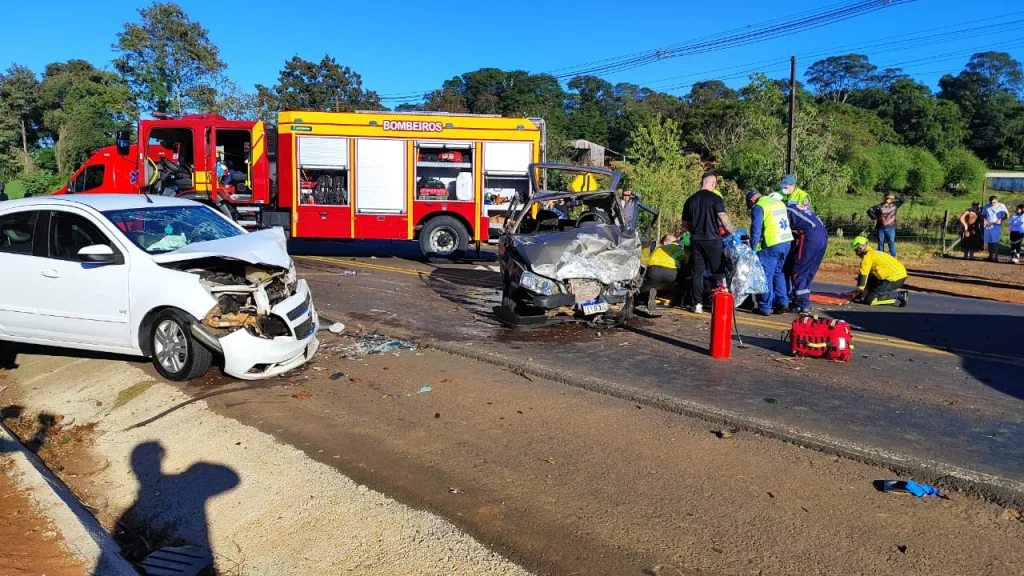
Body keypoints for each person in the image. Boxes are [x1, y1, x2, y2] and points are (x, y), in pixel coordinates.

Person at [682, 172, 735, 314]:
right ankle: (720, 303)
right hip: (713, 240)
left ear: (702, 182)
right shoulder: (716, 198)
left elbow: (685, 223)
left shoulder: (690, 200)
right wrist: (732, 233)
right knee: (718, 271)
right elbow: (722, 217)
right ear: (713, 183)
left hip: (696, 241)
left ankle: (697, 304)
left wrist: (693, 231)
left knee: (697, 273)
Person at [746, 190, 794, 316]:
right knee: (778, 273)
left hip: (773, 243)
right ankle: (782, 303)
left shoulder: (759, 207)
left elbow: (756, 229)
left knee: (765, 275)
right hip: (786, 241)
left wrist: (753, 248)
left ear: (751, 200)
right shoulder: (778, 203)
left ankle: (765, 307)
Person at [783, 202, 827, 313]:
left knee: (800, 270)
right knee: (810, 271)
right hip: (823, 235)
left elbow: (783, 230)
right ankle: (804, 300)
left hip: (810, 237)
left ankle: (800, 303)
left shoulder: (786, 210)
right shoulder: (802, 208)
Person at [849, 236, 909, 307]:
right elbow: (869, 276)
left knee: (870, 300)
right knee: (871, 280)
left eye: (856, 250)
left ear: (860, 248)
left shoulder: (867, 257)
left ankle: (899, 295)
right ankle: (878, 294)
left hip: (894, 279)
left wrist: (859, 291)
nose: (856, 253)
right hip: (896, 275)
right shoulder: (874, 252)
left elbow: (863, 275)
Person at [638, 234, 688, 311]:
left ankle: (642, 300)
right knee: (685, 279)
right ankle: (676, 300)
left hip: (653, 271)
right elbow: (686, 265)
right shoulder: (681, 251)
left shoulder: (660, 248)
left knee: (647, 286)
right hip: (670, 273)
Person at [866, 193, 905, 257]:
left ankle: (893, 256)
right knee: (880, 242)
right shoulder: (879, 206)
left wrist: (895, 196)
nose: (888, 199)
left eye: (889, 198)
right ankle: (881, 256)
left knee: (891, 242)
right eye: (886, 198)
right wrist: (874, 217)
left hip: (891, 227)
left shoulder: (895, 205)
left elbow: (903, 200)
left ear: (891, 199)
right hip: (880, 228)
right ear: (884, 198)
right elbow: (869, 210)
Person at [982, 195, 1009, 262]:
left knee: (995, 241)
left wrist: (1001, 219)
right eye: (991, 202)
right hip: (988, 225)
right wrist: (984, 220)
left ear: (997, 201)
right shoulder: (986, 206)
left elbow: (1007, 215)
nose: (992, 204)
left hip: (996, 225)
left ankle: (996, 257)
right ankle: (990, 256)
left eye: (994, 202)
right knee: (989, 241)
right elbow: (982, 215)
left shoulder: (1001, 205)